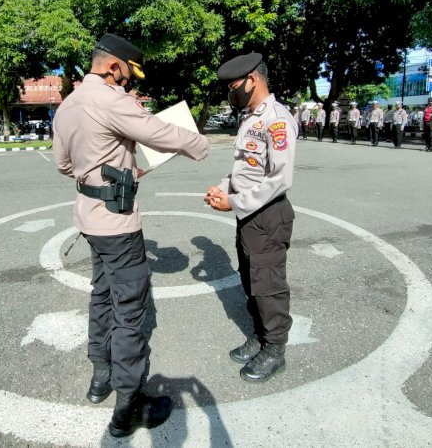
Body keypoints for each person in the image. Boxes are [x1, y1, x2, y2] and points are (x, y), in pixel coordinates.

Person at [53, 33, 209, 438]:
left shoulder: (68, 104)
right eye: (125, 75)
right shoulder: (108, 98)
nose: (125, 83)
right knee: (130, 312)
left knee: (101, 295)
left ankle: (99, 378)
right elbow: (158, 132)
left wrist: (107, 170)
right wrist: (200, 143)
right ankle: (129, 405)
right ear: (112, 66)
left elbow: (63, 165)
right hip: (118, 223)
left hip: (89, 218)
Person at [205, 52, 297, 384]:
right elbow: (245, 170)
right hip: (249, 214)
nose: (231, 92)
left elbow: (280, 178)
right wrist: (221, 188)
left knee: (268, 286)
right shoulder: (250, 117)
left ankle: (275, 350)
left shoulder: (277, 119)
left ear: (252, 80)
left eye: (234, 86)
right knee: (250, 282)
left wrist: (235, 203)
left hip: (268, 215)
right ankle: (260, 336)